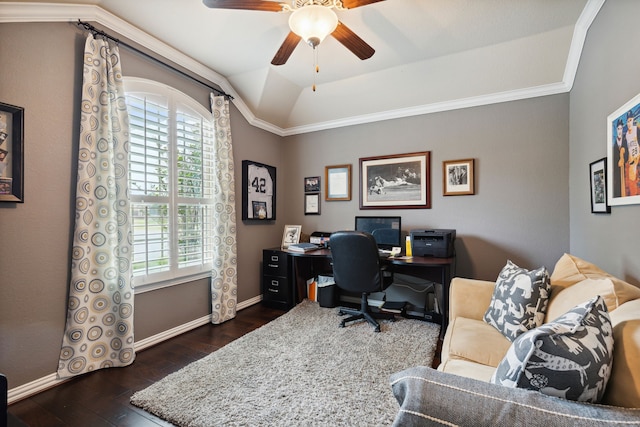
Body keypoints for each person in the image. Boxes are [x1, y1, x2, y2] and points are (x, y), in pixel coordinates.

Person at [625, 111, 640, 196]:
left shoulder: (636, 129)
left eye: (630, 120)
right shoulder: (626, 135)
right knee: (631, 179)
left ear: (633, 120)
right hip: (632, 160)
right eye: (627, 121)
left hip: (638, 157)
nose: (629, 123)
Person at [612, 118, 628, 198]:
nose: (620, 131)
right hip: (616, 176)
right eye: (618, 129)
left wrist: (623, 158)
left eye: (621, 128)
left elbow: (627, 155)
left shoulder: (625, 142)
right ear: (616, 129)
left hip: (625, 173)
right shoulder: (613, 146)